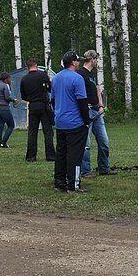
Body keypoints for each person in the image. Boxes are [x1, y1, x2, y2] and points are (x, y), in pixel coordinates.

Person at [51, 51, 91, 193]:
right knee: (75, 155)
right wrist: (86, 121)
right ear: (73, 62)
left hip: (60, 122)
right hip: (75, 122)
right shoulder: (77, 78)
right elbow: (82, 102)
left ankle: (59, 182)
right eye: (78, 61)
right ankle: (73, 184)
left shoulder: (56, 78)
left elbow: (53, 100)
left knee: (61, 153)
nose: (79, 63)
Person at [79, 49, 115, 177]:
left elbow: (98, 89)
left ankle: (104, 168)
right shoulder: (81, 74)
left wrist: (101, 104)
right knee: (86, 144)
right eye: (96, 59)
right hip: (87, 112)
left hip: (97, 111)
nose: (97, 62)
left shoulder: (92, 74)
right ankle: (85, 170)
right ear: (92, 59)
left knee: (104, 141)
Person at [20, 58, 56, 162]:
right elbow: (50, 89)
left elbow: (23, 96)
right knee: (48, 131)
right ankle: (50, 155)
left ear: (28, 67)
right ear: (36, 65)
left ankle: (31, 156)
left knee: (32, 132)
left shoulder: (24, 79)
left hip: (32, 106)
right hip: (44, 106)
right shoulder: (43, 75)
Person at [0, 72, 16, 148]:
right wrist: (13, 100)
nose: (10, 80)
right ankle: (4, 142)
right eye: (9, 78)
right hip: (4, 108)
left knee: (0, 125)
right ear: (6, 79)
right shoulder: (5, 85)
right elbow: (7, 97)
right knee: (11, 125)